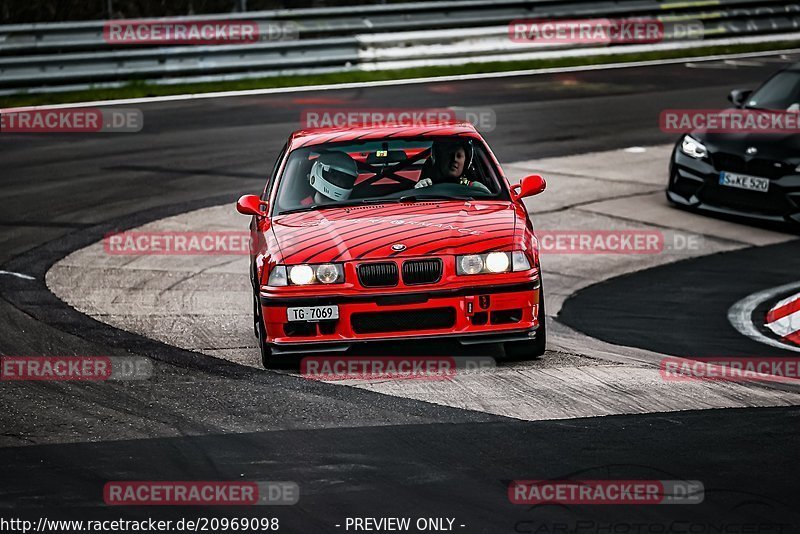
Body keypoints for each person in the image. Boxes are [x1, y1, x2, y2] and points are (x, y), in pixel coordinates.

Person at [415, 140, 485, 190]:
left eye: (459, 156)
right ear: (439, 158)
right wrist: (418, 191)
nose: (454, 159)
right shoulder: (424, 187)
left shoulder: (476, 189)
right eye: (449, 154)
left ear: (466, 162)